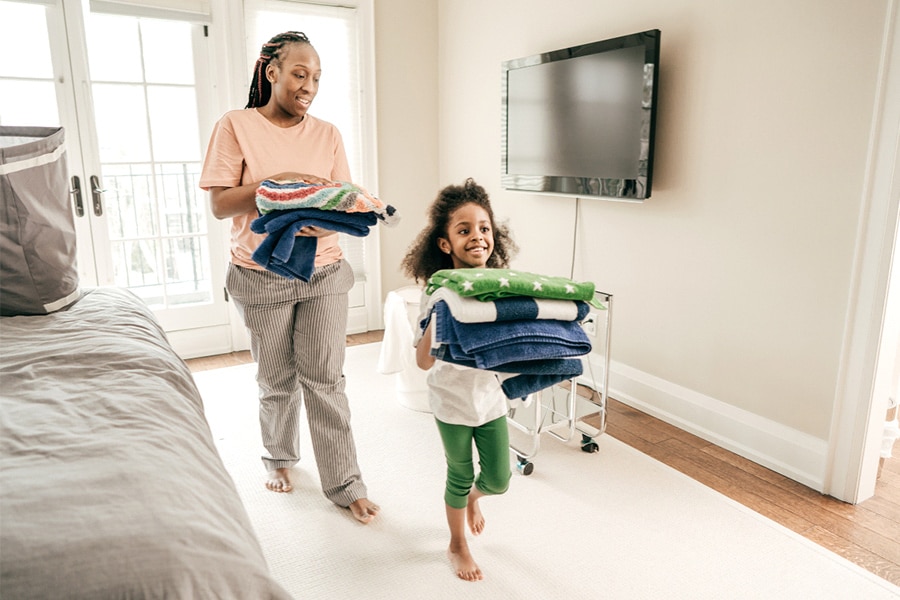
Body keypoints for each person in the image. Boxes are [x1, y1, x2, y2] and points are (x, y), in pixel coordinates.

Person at [199, 31, 378, 524]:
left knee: (325, 379)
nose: (309, 86)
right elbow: (219, 204)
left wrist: (320, 211)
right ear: (272, 72)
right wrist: (281, 189)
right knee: (277, 379)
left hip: (324, 268)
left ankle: (345, 482)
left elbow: (338, 197)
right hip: (260, 273)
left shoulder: (328, 134)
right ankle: (279, 457)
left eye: (316, 77)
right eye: (300, 74)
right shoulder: (235, 125)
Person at [401, 178, 519, 581]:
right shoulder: (435, 292)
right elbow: (421, 362)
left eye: (484, 228)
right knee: (460, 472)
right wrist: (442, 310)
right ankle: (456, 544)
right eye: (464, 229)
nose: (477, 236)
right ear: (445, 243)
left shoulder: (501, 288)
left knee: (499, 480)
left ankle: (474, 499)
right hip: (451, 401)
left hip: (489, 399)